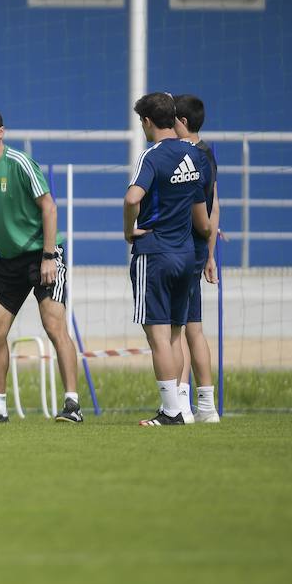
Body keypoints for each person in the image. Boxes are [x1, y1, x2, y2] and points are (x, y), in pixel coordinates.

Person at [0, 107, 83, 424]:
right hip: (7, 261)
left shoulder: (19, 163)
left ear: (0, 132)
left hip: (40, 254)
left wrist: (48, 255)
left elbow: (49, 206)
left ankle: (73, 404)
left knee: (54, 325)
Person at [124, 92, 212, 427]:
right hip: (186, 253)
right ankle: (184, 408)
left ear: (147, 121)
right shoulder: (195, 155)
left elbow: (133, 196)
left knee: (158, 336)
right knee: (177, 333)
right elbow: (200, 212)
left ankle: (171, 410)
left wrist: (128, 230)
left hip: (155, 253)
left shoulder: (152, 156)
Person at [171, 94, 221, 423]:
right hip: (199, 248)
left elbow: (202, 211)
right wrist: (211, 254)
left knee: (175, 330)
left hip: (182, 247)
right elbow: (215, 205)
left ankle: (179, 406)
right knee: (194, 329)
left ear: (183, 123)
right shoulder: (208, 153)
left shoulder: (188, 157)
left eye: (172, 120)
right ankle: (206, 406)